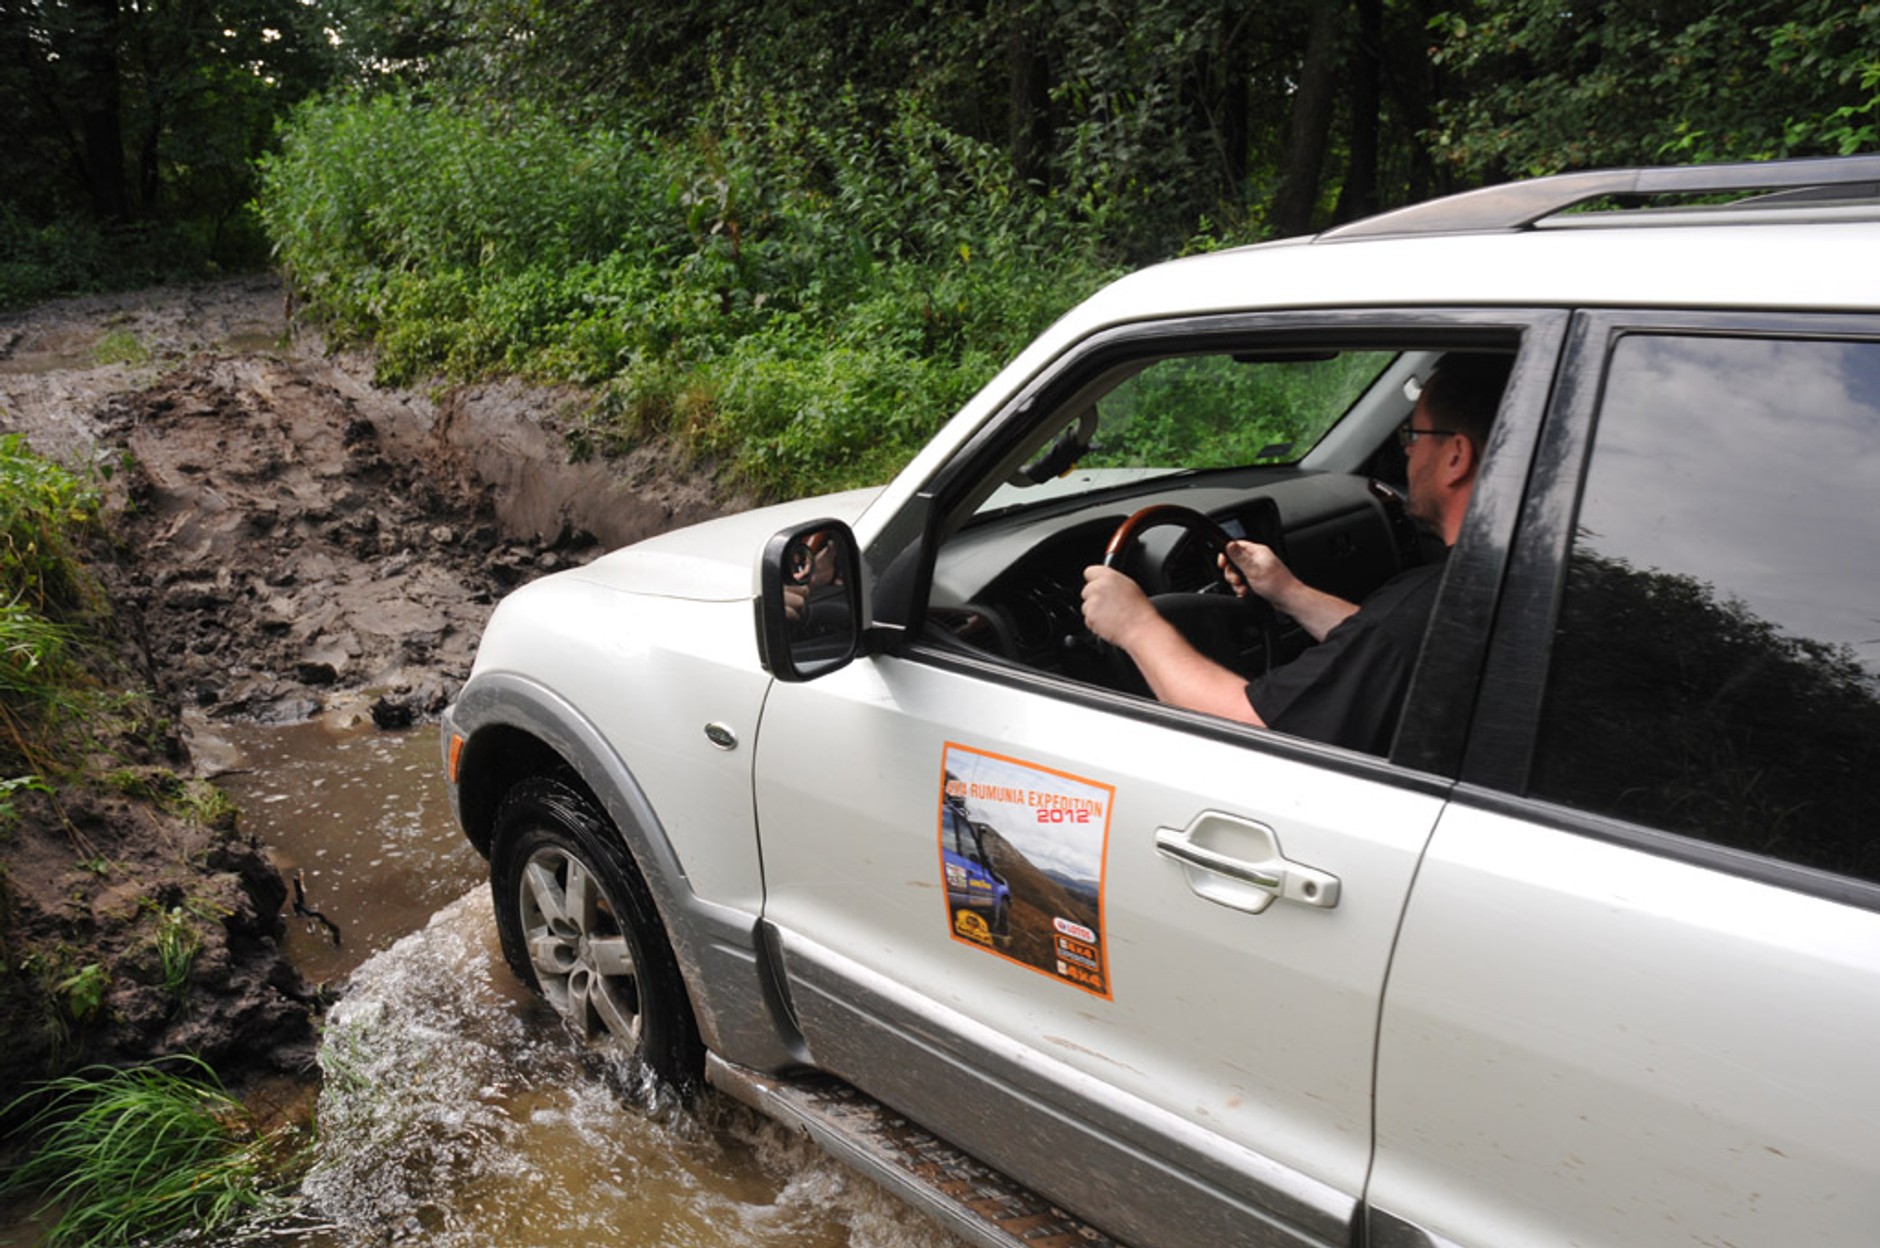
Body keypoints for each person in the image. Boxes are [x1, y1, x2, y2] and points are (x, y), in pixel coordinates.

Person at [1080, 353, 1511, 755]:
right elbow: (1387, 651)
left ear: (1456, 457)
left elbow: (1252, 729)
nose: (1407, 450)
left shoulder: (1426, 606)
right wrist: (1287, 592)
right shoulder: (1499, 581)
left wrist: (1136, 625)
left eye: (1414, 435)